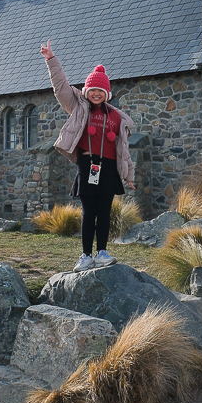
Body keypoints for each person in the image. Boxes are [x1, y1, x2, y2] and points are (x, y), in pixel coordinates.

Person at [41, 40, 136, 272]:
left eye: (100, 91)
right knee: (88, 212)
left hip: (110, 168)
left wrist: (128, 174)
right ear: (86, 91)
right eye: (92, 90)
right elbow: (61, 87)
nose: (95, 93)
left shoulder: (117, 117)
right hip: (88, 164)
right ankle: (85, 256)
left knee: (104, 212)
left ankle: (102, 252)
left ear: (106, 93)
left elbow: (123, 151)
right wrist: (51, 59)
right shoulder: (78, 107)